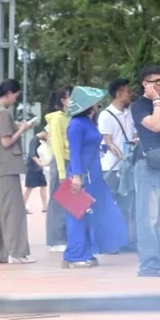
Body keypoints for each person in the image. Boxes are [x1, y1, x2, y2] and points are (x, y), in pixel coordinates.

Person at [63, 87, 131, 268]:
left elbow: (91, 145)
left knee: (97, 213)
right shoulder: (76, 124)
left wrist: (105, 148)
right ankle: (74, 255)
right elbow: (75, 152)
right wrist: (76, 176)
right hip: (82, 176)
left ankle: (87, 251)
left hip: (93, 175)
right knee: (78, 215)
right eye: (94, 101)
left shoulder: (87, 121)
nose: (97, 104)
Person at [130, 65, 160, 277]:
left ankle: (157, 259)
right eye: (156, 81)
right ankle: (148, 263)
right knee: (147, 217)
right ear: (145, 84)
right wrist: (157, 102)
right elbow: (155, 126)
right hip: (146, 165)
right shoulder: (139, 106)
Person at [0, 79, 36, 264]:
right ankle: (17, 252)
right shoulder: (3, 113)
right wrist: (22, 129)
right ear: (10, 93)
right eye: (16, 96)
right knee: (13, 211)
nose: (15, 100)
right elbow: (6, 142)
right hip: (5, 167)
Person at [97, 78, 137, 246]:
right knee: (111, 205)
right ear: (119, 94)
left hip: (127, 166)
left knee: (126, 204)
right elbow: (107, 140)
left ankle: (125, 239)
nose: (130, 94)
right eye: (127, 91)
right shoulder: (106, 115)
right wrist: (119, 152)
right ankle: (110, 241)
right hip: (111, 167)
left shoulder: (129, 113)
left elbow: (133, 135)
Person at [43, 86, 72, 252]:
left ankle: (64, 236)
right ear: (63, 100)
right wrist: (62, 171)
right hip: (60, 162)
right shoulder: (57, 119)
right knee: (57, 201)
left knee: (68, 201)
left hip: (69, 161)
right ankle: (56, 240)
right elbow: (58, 147)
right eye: (71, 97)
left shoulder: (70, 117)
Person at [23, 134, 48, 213]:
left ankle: (45, 206)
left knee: (43, 185)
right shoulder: (34, 140)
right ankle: (22, 206)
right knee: (29, 187)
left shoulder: (41, 141)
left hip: (38, 168)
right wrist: (40, 164)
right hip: (32, 167)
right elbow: (32, 155)